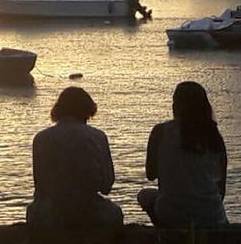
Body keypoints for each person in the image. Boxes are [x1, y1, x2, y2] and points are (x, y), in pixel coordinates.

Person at [27, 86, 123, 232]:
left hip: (51, 216)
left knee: (33, 210)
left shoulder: (41, 138)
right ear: (88, 110)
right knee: (115, 213)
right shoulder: (97, 136)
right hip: (89, 213)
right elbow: (106, 185)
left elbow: (40, 186)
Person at [137, 80, 228, 228]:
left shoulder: (160, 131)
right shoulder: (214, 136)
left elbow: (150, 174)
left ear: (177, 105)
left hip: (171, 213)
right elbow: (221, 188)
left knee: (144, 195)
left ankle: (165, 232)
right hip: (211, 215)